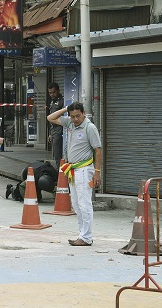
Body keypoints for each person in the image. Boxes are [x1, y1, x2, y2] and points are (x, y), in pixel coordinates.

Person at [47, 102, 102, 246]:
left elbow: (98, 150)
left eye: (78, 115)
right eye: (72, 116)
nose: (76, 119)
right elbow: (50, 118)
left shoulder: (90, 128)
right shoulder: (69, 124)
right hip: (72, 170)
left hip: (84, 169)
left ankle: (86, 237)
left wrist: (97, 172)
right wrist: (66, 108)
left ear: (84, 113)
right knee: (76, 205)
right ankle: (82, 235)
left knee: (84, 204)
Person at [47, 82, 65, 169]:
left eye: (53, 92)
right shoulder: (52, 102)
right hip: (54, 130)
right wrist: (50, 133)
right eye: (50, 93)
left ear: (58, 91)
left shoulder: (62, 101)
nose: (52, 94)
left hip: (60, 130)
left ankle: (60, 174)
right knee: (56, 154)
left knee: (59, 154)